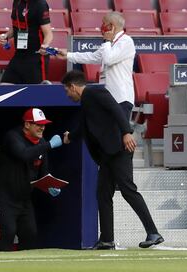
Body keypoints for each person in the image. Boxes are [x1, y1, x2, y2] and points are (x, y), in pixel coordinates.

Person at [61, 70, 164, 249]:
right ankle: (107, 239)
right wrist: (71, 136)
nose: (67, 95)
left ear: (73, 87)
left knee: (128, 190)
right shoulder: (86, 102)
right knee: (102, 193)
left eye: (67, 91)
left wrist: (126, 132)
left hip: (119, 149)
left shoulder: (95, 92)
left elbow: (115, 109)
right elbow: (85, 127)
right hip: (108, 154)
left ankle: (153, 232)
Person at [0, 108, 62, 251]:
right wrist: (49, 145)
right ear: (27, 125)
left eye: (44, 124)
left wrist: (49, 185)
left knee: (30, 234)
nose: (42, 127)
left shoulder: (42, 142)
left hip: (23, 198)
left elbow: (43, 172)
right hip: (2, 195)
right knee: (8, 231)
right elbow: (23, 154)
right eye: (38, 124)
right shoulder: (13, 136)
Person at [57, 11, 135, 107]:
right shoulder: (110, 44)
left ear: (111, 26)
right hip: (108, 97)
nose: (101, 26)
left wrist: (106, 41)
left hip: (121, 98)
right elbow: (93, 57)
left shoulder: (126, 41)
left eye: (103, 23)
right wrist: (68, 55)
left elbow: (108, 60)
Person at [0, 0, 53, 84]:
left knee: (36, 93)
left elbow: (48, 33)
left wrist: (45, 45)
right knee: (4, 86)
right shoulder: (17, 2)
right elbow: (17, 26)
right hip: (19, 55)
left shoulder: (40, 4)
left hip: (36, 58)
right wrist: (6, 36)